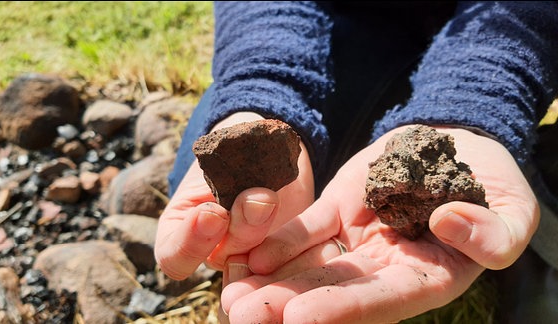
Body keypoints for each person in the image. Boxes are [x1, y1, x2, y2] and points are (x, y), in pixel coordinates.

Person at [155, 1, 558, 323]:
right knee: (214, 205)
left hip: (494, 32)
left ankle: (540, 208)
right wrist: (265, 92)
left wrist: (475, 109)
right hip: (354, 21)